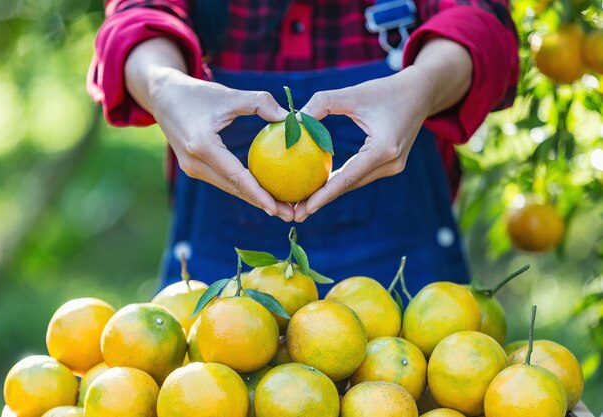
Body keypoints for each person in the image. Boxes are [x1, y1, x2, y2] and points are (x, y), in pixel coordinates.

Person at [87, 0, 519, 295]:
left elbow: (482, 21)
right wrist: (164, 86)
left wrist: (423, 86)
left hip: (407, 271)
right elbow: (136, 14)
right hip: (223, 280)